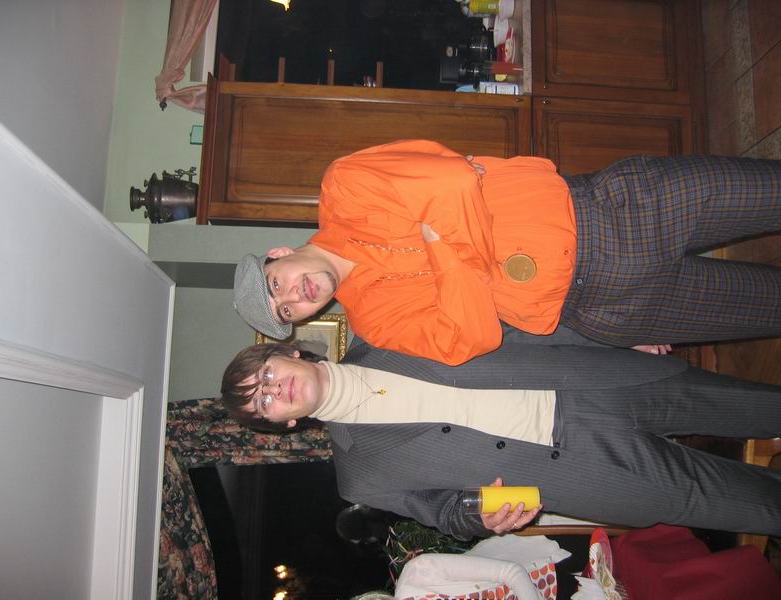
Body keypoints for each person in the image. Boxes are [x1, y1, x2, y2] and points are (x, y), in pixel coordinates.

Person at [233, 140, 781, 364]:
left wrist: (462, 280)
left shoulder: (345, 188)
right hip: (604, 309)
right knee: (770, 307)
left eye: (277, 283)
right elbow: (471, 339)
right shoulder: (375, 321)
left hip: (613, 210)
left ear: (279, 253)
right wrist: (442, 245)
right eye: (288, 310)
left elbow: (449, 180)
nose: (295, 296)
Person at [219, 332, 781, 540]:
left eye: (265, 376)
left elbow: (512, 323)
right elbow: (443, 513)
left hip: (600, 382)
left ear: (288, 353)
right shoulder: (359, 478)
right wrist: (479, 518)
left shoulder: (384, 329)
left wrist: (614, 338)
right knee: (754, 506)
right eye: (263, 403)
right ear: (284, 424)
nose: (274, 390)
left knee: (762, 407)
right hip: (587, 471)